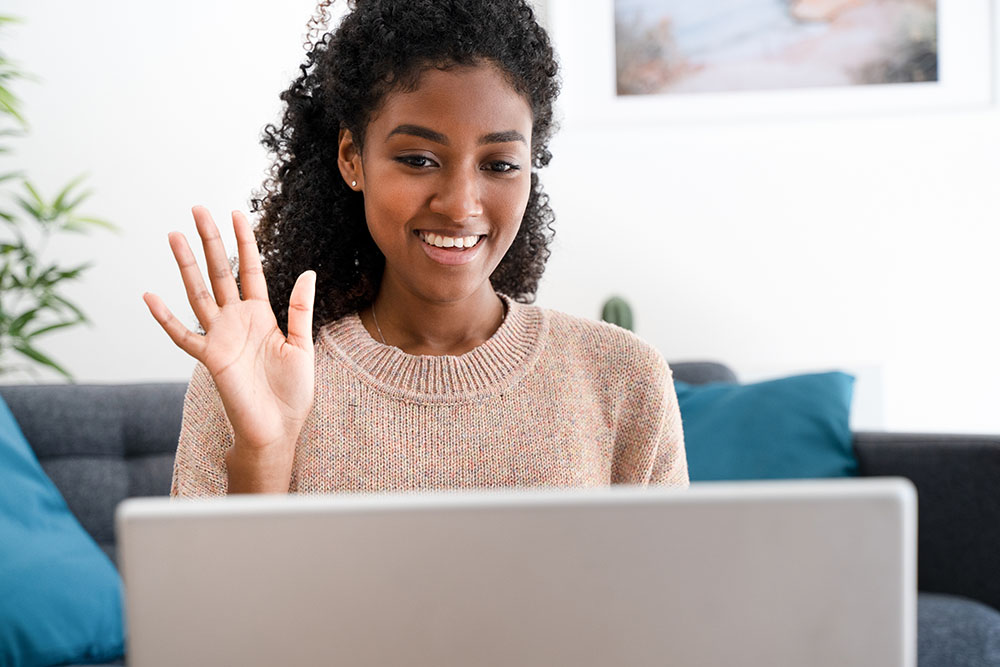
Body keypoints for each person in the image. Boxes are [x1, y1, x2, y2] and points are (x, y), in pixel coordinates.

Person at [143, 0, 688, 496]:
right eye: (419, 159)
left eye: (499, 165)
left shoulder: (623, 378)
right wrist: (264, 454)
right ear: (353, 158)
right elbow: (212, 607)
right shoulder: (258, 373)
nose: (459, 205)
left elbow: (673, 603)